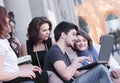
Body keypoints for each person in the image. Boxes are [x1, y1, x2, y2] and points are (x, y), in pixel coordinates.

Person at [0, 6, 61, 83]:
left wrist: (25, 69)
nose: (9, 19)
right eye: (6, 16)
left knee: (49, 74)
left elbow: (9, 66)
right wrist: (20, 73)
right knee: (50, 75)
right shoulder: (1, 44)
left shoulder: (4, 40)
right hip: (12, 79)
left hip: (15, 76)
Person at [44, 21, 112, 83]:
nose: (75, 38)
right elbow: (67, 75)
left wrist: (95, 68)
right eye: (73, 35)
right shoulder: (54, 52)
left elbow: (77, 74)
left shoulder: (62, 53)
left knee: (100, 69)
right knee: (101, 69)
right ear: (64, 35)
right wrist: (77, 60)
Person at [21, 16, 62, 83]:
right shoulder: (25, 46)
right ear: (35, 32)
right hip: (36, 78)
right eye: (44, 30)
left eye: (49, 29)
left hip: (54, 77)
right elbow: (26, 67)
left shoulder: (52, 42)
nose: (48, 32)